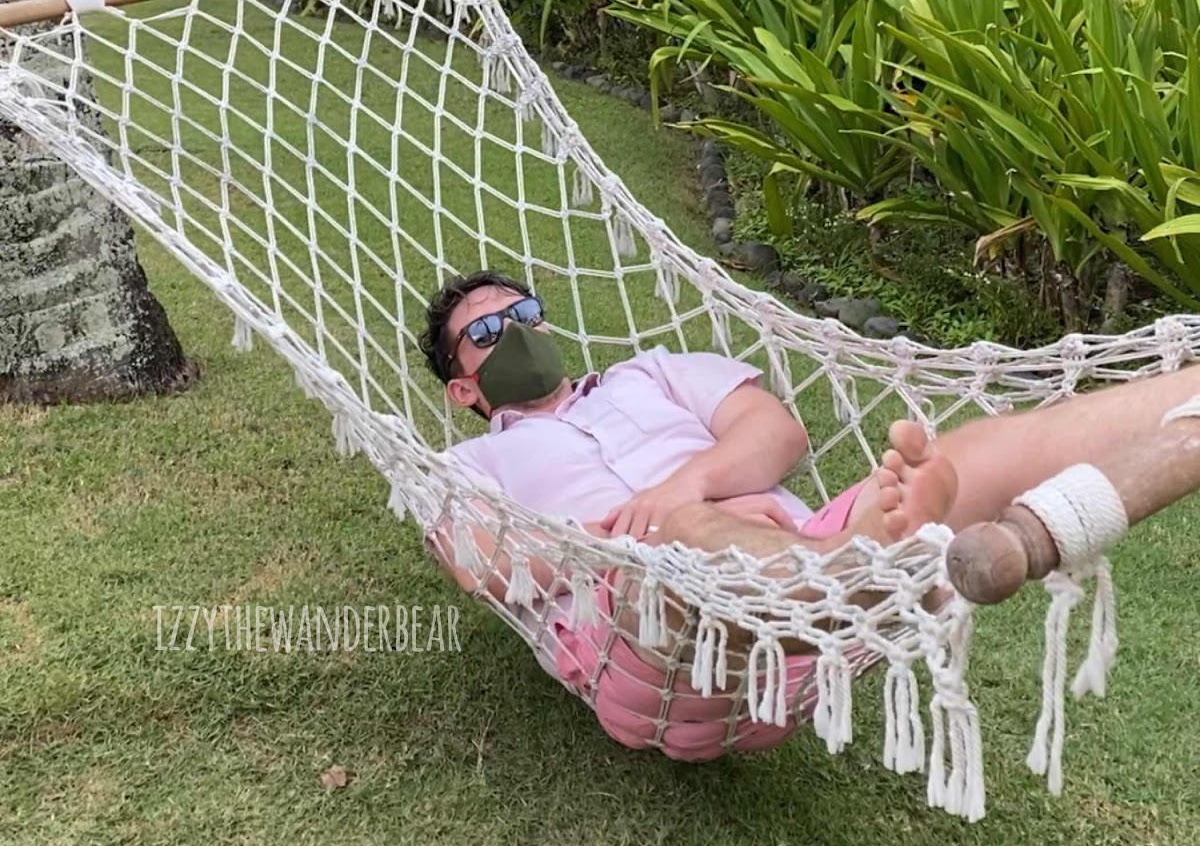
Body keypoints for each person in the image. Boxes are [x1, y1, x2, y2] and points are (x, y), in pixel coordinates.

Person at [419, 270, 1200, 761]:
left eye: (528, 311)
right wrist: (649, 528)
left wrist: (688, 486)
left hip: (797, 562)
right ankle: (865, 572)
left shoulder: (647, 373)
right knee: (689, 546)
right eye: (487, 332)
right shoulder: (469, 465)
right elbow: (482, 564)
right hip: (649, 643)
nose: (518, 330)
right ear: (464, 388)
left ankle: (1184, 401)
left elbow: (776, 432)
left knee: (974, 453)